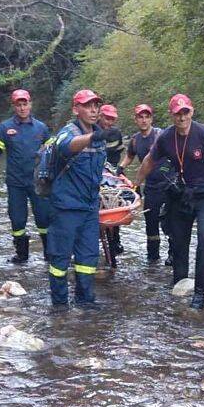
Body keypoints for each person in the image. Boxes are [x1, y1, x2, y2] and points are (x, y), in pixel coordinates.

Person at [134, 94, 204, 309]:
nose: (182, 117)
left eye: (185, 112)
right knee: (178, 240)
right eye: (177, 113)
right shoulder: (166, 137)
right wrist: (136, 185)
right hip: (181, 193)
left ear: (191, 112)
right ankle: (178, 283)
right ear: (172, 115)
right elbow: (149, 161)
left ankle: (200, 294)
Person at [47, 89, 121, 307]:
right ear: (75, 109)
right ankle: (60, 305)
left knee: (88, 258)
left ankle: (85, 300)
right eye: (87, 105)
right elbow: (66, 146)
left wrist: (118, 177)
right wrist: (92, 137)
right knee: (60, 260)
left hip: (89, 208)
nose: (93, 110)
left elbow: (102, 170)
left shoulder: (100, 135)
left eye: (96, 105)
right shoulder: (67, 132)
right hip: (66, 209)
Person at [0, 89, 52, 262]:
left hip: (39, 182)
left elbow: (52, 154)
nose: (22, 108)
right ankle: (22, 256)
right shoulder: (5, 128)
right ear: (14, 106)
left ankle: (49, 254)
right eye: (19, 105)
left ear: (30, 104)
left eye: (25, 104)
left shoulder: (42, 128)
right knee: (17, 220)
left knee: (44, 219)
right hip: (16, 183)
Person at [117, 104, 174, 264]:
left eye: (146, 117)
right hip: (150, 186)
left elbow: (175, 153)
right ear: (136, 119)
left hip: (168, 184)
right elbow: (129, 156)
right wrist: (121, 168)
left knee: (170, 221)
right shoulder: (135, 140)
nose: (144, 120)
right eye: (140, 117)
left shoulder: (160, 135)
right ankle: (153, 257)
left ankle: (172, 254)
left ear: (151, 119)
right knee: (151, 221)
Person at [98, 104, 125, 255]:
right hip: (94, 171)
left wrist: (116, 171)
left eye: (112, 119)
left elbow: (117, 154)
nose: (109, 122)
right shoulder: (91, 130)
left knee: (116, 202)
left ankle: (116, 239)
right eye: (106, 118)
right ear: (100, 116)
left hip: (110, 172)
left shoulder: (116, 133)